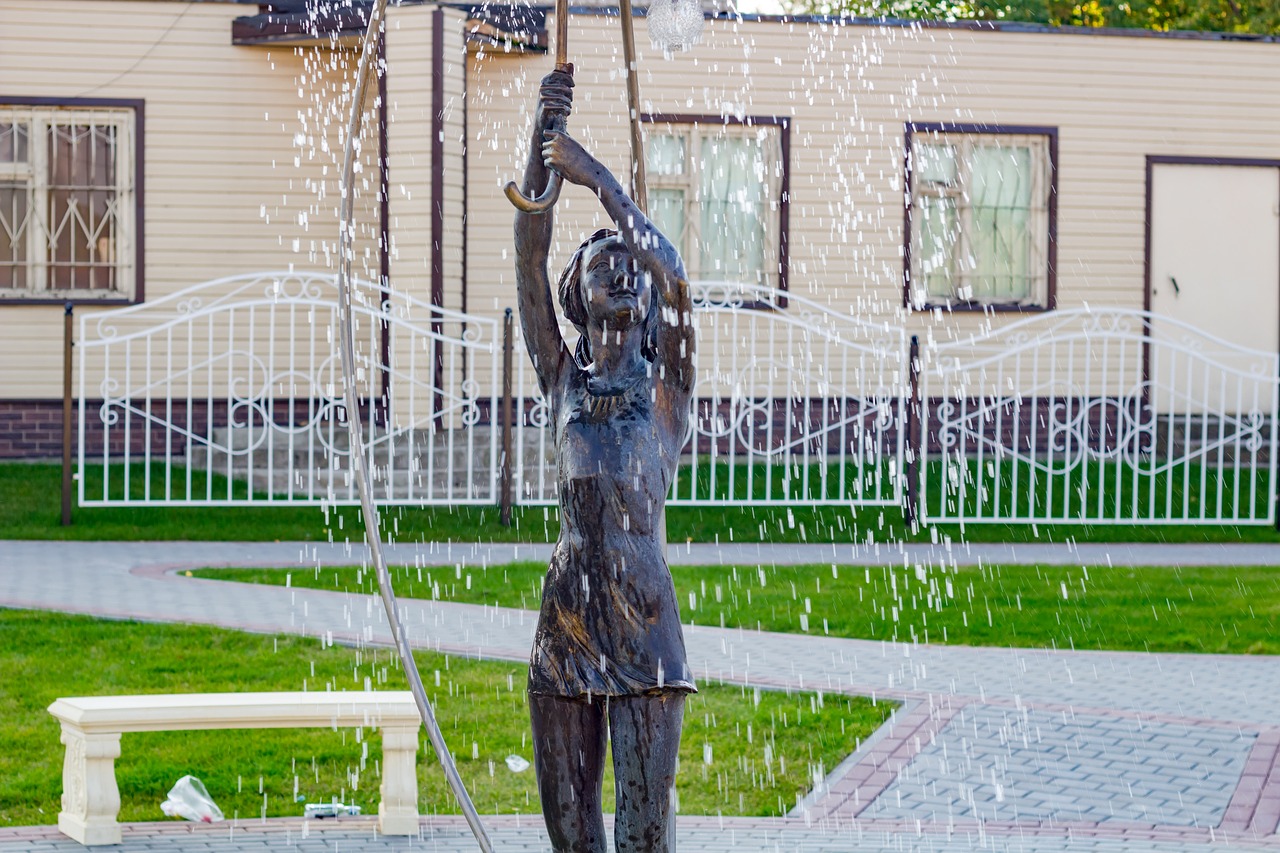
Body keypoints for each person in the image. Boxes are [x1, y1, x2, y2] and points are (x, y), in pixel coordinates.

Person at [514, 68, 696, 853]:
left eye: (633, 267)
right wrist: (541, 142)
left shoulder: (667, 389)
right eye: (604, 263)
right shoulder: (561, 376)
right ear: (579, 295)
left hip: (646, 621)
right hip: (566, 620)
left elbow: (679, 279)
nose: (625, 268)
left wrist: (601, 183)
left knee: (644, 833)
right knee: (571, 834)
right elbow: (527, 253)